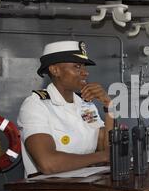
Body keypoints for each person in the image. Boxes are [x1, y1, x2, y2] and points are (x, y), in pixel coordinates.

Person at [17, 40, 113, 177]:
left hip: (88, 187)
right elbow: (48, 163)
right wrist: (101, 157)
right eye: (77, 66)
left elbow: (106, 148)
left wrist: (109, 107)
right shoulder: (35, 105)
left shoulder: (86, 104)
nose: (85, 73)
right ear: (55, 70)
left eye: (84, 67)